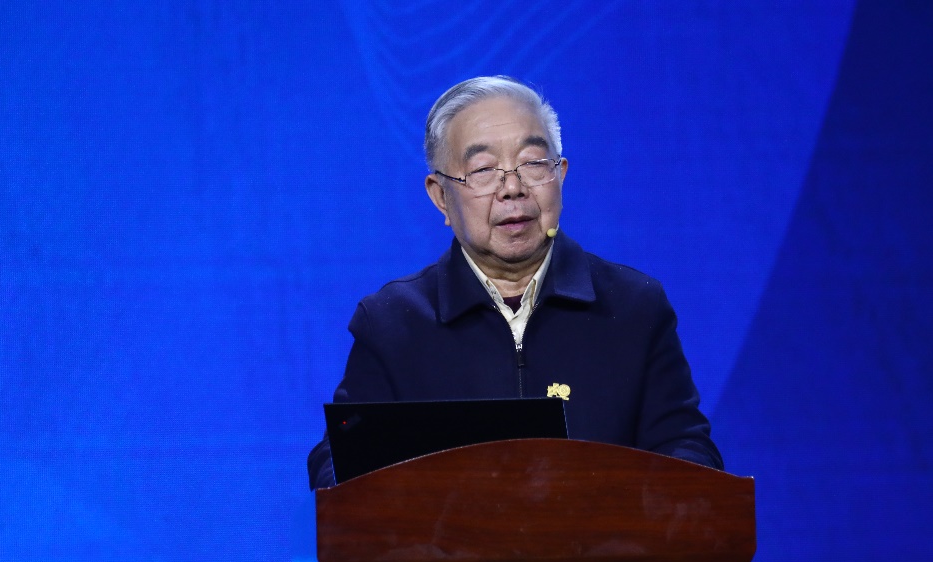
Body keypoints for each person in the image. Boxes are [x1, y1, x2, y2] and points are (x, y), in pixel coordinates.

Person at [307, 75, 720, 489]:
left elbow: (684, 446)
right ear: (440, 196)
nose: (512, 188)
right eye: (483, 170)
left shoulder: (634, 307)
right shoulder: (392, 323)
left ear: (560, 174)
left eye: (533, 163)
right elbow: (341, 463)